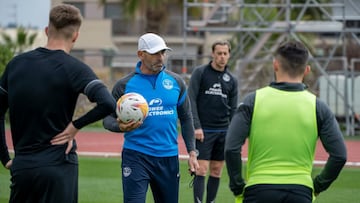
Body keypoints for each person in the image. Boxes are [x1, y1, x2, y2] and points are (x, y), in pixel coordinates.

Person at [0, 4, 116, 203]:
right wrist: (75, 126)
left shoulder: (15, 65)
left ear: (47, 30)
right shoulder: (75, 68)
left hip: (23, 168)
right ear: (76, 36)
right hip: (59, 166)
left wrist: (5, 157)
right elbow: (108, 103)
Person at [224, 40, 347, 203]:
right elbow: (339, 155)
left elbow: (231, 148)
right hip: (300, 191)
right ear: (307, 70)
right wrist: (317, 186)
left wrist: (238, 187)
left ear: (275, 65)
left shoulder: (253, 101)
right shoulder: (318, 107)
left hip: (258, 189)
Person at [103, 32, 199, 203]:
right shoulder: (124, 85)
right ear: (141, 54)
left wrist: (192, 153)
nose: (160, 57)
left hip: (168, 157)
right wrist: (120, 127)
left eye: (163, 53)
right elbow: (107, 119)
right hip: (136, 156)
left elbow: (186, 118)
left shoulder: (176, 82)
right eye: (155, 53)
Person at [188, 40, 238, 203]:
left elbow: (234, 108)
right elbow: (191, 100)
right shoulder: (200, 72)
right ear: (213, 54)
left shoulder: (232, 80)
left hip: (223, 131)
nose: (222, 57)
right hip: (204, 131)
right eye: (219, 53)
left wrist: (234, 132)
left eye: (225, 53)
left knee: (216, 171)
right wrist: (196, 126)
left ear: (229, 55)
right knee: (201, 169)